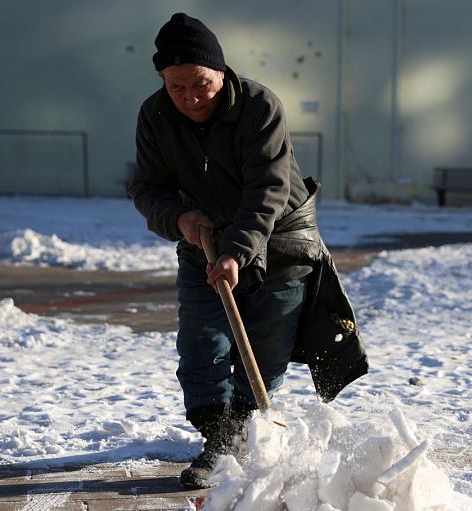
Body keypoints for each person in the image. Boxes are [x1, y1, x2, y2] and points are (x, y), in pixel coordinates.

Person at [129, 12, 368, 489]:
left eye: (201, 83)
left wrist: (236, 252)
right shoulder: (154, 115)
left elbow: (267, 190)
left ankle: (239, 435)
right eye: (176, 87)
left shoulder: (259, 107)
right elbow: (148, 187)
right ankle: (220, 442)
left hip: (281, 242)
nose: (190, 97)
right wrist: (179, 219)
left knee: (263, 351)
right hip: (203, 241)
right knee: (200, 346)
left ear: (221, 72)